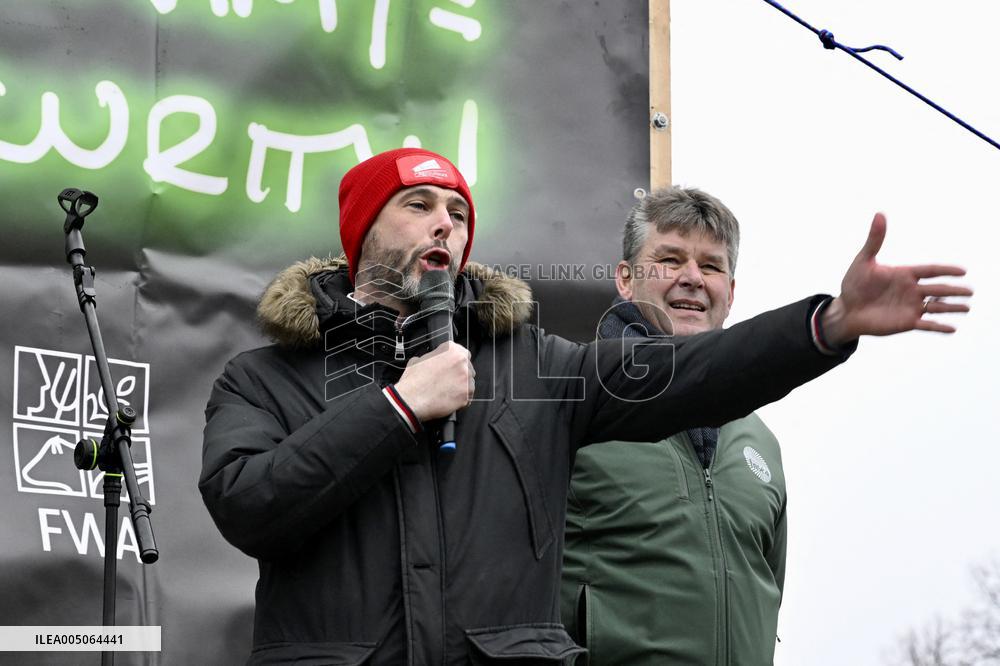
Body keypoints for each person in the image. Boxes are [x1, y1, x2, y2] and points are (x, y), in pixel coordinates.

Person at [199, 148, 970, 666]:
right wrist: (400, 408)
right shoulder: (264, 378)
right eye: (418, 205)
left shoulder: (538, 364)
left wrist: (826, 325)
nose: (445, 223)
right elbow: (247, 503)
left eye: (458, 213)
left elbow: (693, 373)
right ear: (362, 230)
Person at [561, 186, 784, 665]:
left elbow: (769, 590)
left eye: (711, 266)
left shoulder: (761, 441)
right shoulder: (573, 402)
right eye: (670, 259)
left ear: (731, 290)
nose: (692, 279)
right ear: (626, 278)